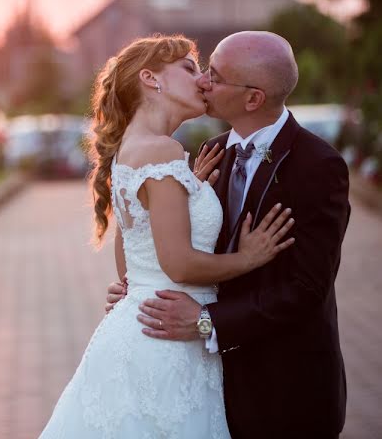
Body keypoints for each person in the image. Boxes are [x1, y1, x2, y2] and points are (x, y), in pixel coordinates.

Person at [38, 35, 294, 439]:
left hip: (144, 328)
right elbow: (178, 263)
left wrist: (186, 191)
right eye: (190, 69)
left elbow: (131, 259)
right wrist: (249, 257)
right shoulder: (162, 153)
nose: (203, 80)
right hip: (165, 344)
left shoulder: (133, 152)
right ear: (151, 79)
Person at [106, 31, 351, 438]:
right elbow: (149, 230)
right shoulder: (206, 154)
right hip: (209, 383)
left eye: (214, 76)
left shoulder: (319, 166)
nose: (203, 81)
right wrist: (135, 290)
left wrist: (206, 322)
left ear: (253, 98)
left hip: (284, 391)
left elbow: (306, 288)